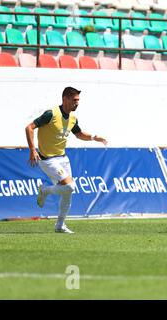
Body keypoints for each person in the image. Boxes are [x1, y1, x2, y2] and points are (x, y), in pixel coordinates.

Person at [25, 87, 107, 233]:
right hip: (48, 159)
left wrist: (95, 137)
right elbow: (29, 128)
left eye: (78, 100)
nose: (77, 103)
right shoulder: (51, 114)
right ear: (65, 99)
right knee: (70, 187)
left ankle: (60, 226)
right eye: (75, 100)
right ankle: (45, 190)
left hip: (63, 158)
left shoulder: (73, 119)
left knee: (68, 192)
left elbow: (79, 134)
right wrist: (32, 150)